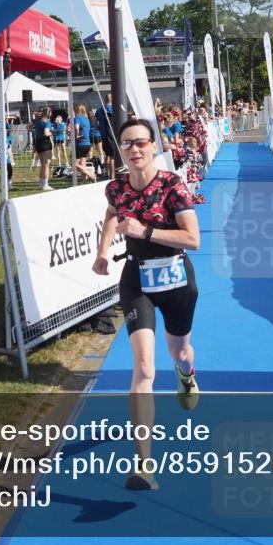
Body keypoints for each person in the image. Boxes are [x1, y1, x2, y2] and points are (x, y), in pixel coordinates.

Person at [93, 119, 201, 491]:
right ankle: (144, 464)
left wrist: (146, 231)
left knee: (180, 350)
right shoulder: (117, 187)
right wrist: (103, 251)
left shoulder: (172, 185)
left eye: (140, 142)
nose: (134, 149)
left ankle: (187, 376)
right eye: (127, 144)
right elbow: (111, 214)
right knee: (143, 368)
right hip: (136, 277)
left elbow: (193, 239)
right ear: (120, 150)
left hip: (176, 280)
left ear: (154, 146)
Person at [30, 107, 54, 191]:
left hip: (38, 143)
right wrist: (52, 133)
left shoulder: (37, 121)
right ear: (48, 113)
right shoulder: (47, 122)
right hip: (45, 143)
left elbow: (28, 127)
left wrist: (33, 131)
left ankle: (41, 183)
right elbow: (46, 133)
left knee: (43, 164)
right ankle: (45, 185)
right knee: (46, 165)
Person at [95, 94, 117, 179]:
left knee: (107, 155)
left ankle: (107, 175)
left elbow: (96, 123)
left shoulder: (99, 110)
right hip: (111, 135)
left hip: (103, 135)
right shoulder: (112, 109)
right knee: (112, 157)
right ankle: (112, 176)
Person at [73, 104, 96, 181]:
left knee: (74, 164)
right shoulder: (87, 119)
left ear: (78, 110)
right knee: (82, 164)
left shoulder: (77, 118)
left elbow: (76, 127)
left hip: (80, 143)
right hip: (87, 143)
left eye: (75, 110)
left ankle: (90, 175)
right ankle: (83, 181)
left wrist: (76, 136)